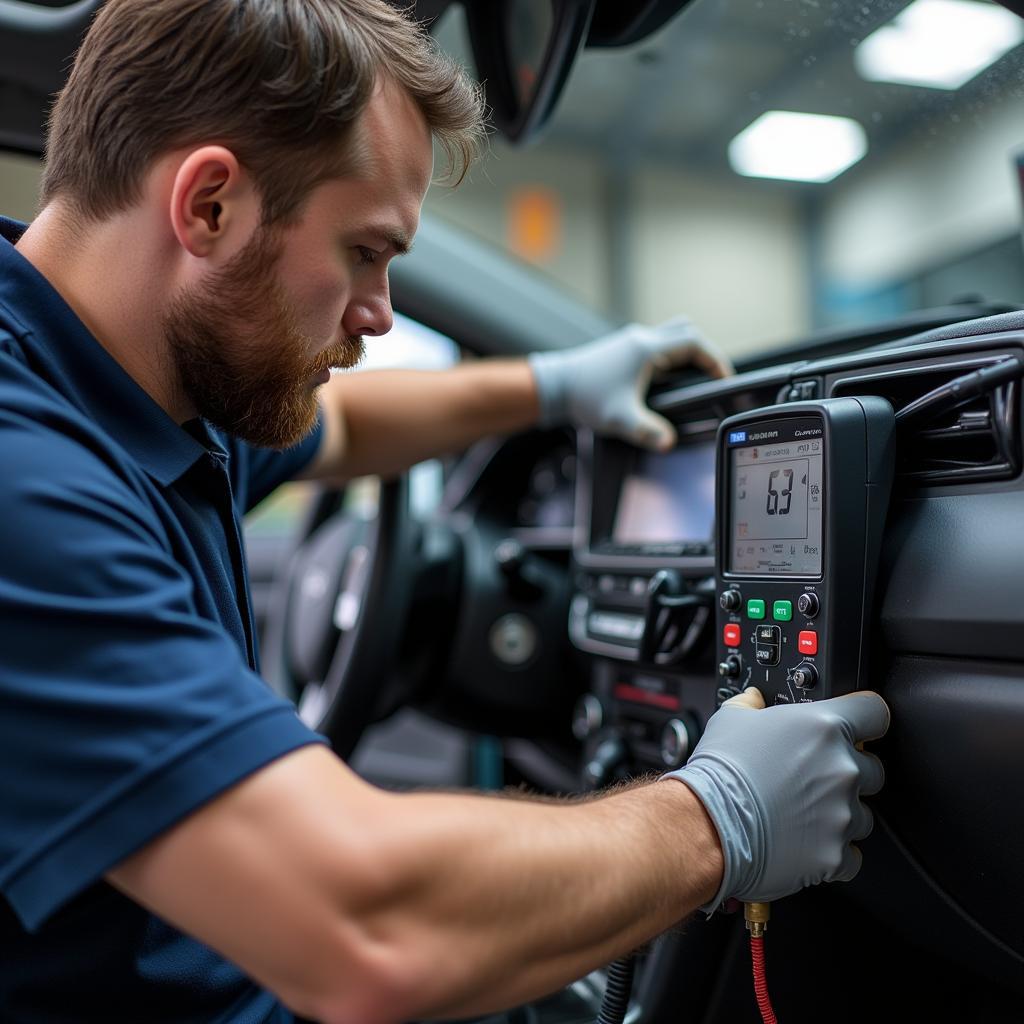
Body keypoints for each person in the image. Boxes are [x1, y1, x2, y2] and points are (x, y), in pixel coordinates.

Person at [0, 1, 889, 1022]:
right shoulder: (24, 476)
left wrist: (551, 385)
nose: (379, 314)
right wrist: (716, 815)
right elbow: (369, 931)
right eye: (366, 252)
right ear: (207, 207)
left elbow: (336, 429)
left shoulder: (124, 375)